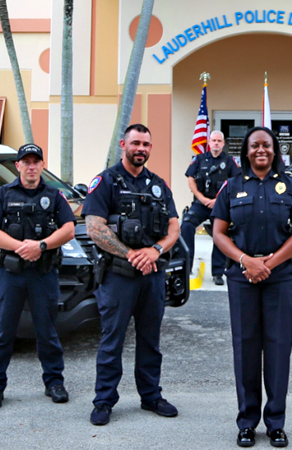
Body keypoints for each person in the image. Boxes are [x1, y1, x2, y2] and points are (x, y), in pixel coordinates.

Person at [212, 126, 292, 448]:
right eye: (255, 146)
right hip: (242, 278)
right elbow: (219, 234)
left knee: (279, 348)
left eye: (266, 145)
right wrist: (246, 261)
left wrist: (269, 263)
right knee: (246, 348)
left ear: (274, 150)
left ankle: (276, 423)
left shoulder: (291, 186)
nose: (261, 151)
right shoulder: (231, 186)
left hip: (279, 278)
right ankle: (247, 423)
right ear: (246, 151)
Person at [82, 123, 180, 426]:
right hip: (119, 276)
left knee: (150, 340)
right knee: (112, 340)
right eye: (136, 143)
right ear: (123, 144)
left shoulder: (159, 185)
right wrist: (132, 255)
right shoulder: (107, 182)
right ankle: (104, 401)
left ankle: (151, 396)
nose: (141, 149)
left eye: (146, 144)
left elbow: (174, 228)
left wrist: (154, 251)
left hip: (152, 276)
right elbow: (94, 228)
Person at [0, 144, 76, 408]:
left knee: (47, 331)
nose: (31, 166)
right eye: (26, 162)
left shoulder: (55, 195)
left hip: (43, 273)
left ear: (42, 166)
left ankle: (54, 382)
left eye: (36, 162)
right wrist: (21, 247)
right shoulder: (3, 194)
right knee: (3, 332)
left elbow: (69, 229)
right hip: (10, 273)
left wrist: (41, 246)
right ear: (18, 166)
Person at [181, 130, 241, 285]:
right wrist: (201, 198)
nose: (216, 143)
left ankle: (218, 272)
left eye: (219, 141)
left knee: (220, 233)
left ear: (223, 143)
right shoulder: (199, 159)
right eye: (213, 140)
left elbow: (236, 182)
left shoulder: (230, 161)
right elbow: (191, 179)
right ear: (209, 142)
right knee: (186, 226)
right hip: (201, 204)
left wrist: (217, 200)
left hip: (220, 204)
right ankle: (186, 267)